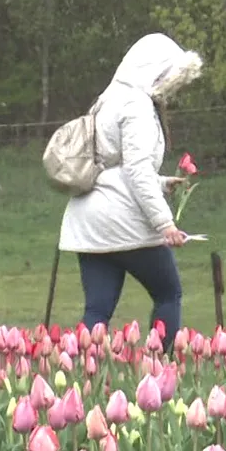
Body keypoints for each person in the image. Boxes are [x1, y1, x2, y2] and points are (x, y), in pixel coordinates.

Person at [59, 33, 203, 346]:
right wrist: (165, 224)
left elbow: (115, 166)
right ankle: (161, 364)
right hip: (123, 220)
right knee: (168, 293)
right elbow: (136, 171)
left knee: (97, 308)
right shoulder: (137, 106)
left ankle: (77, 368)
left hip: (89, 221)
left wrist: (161, 182)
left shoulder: (105, 100)